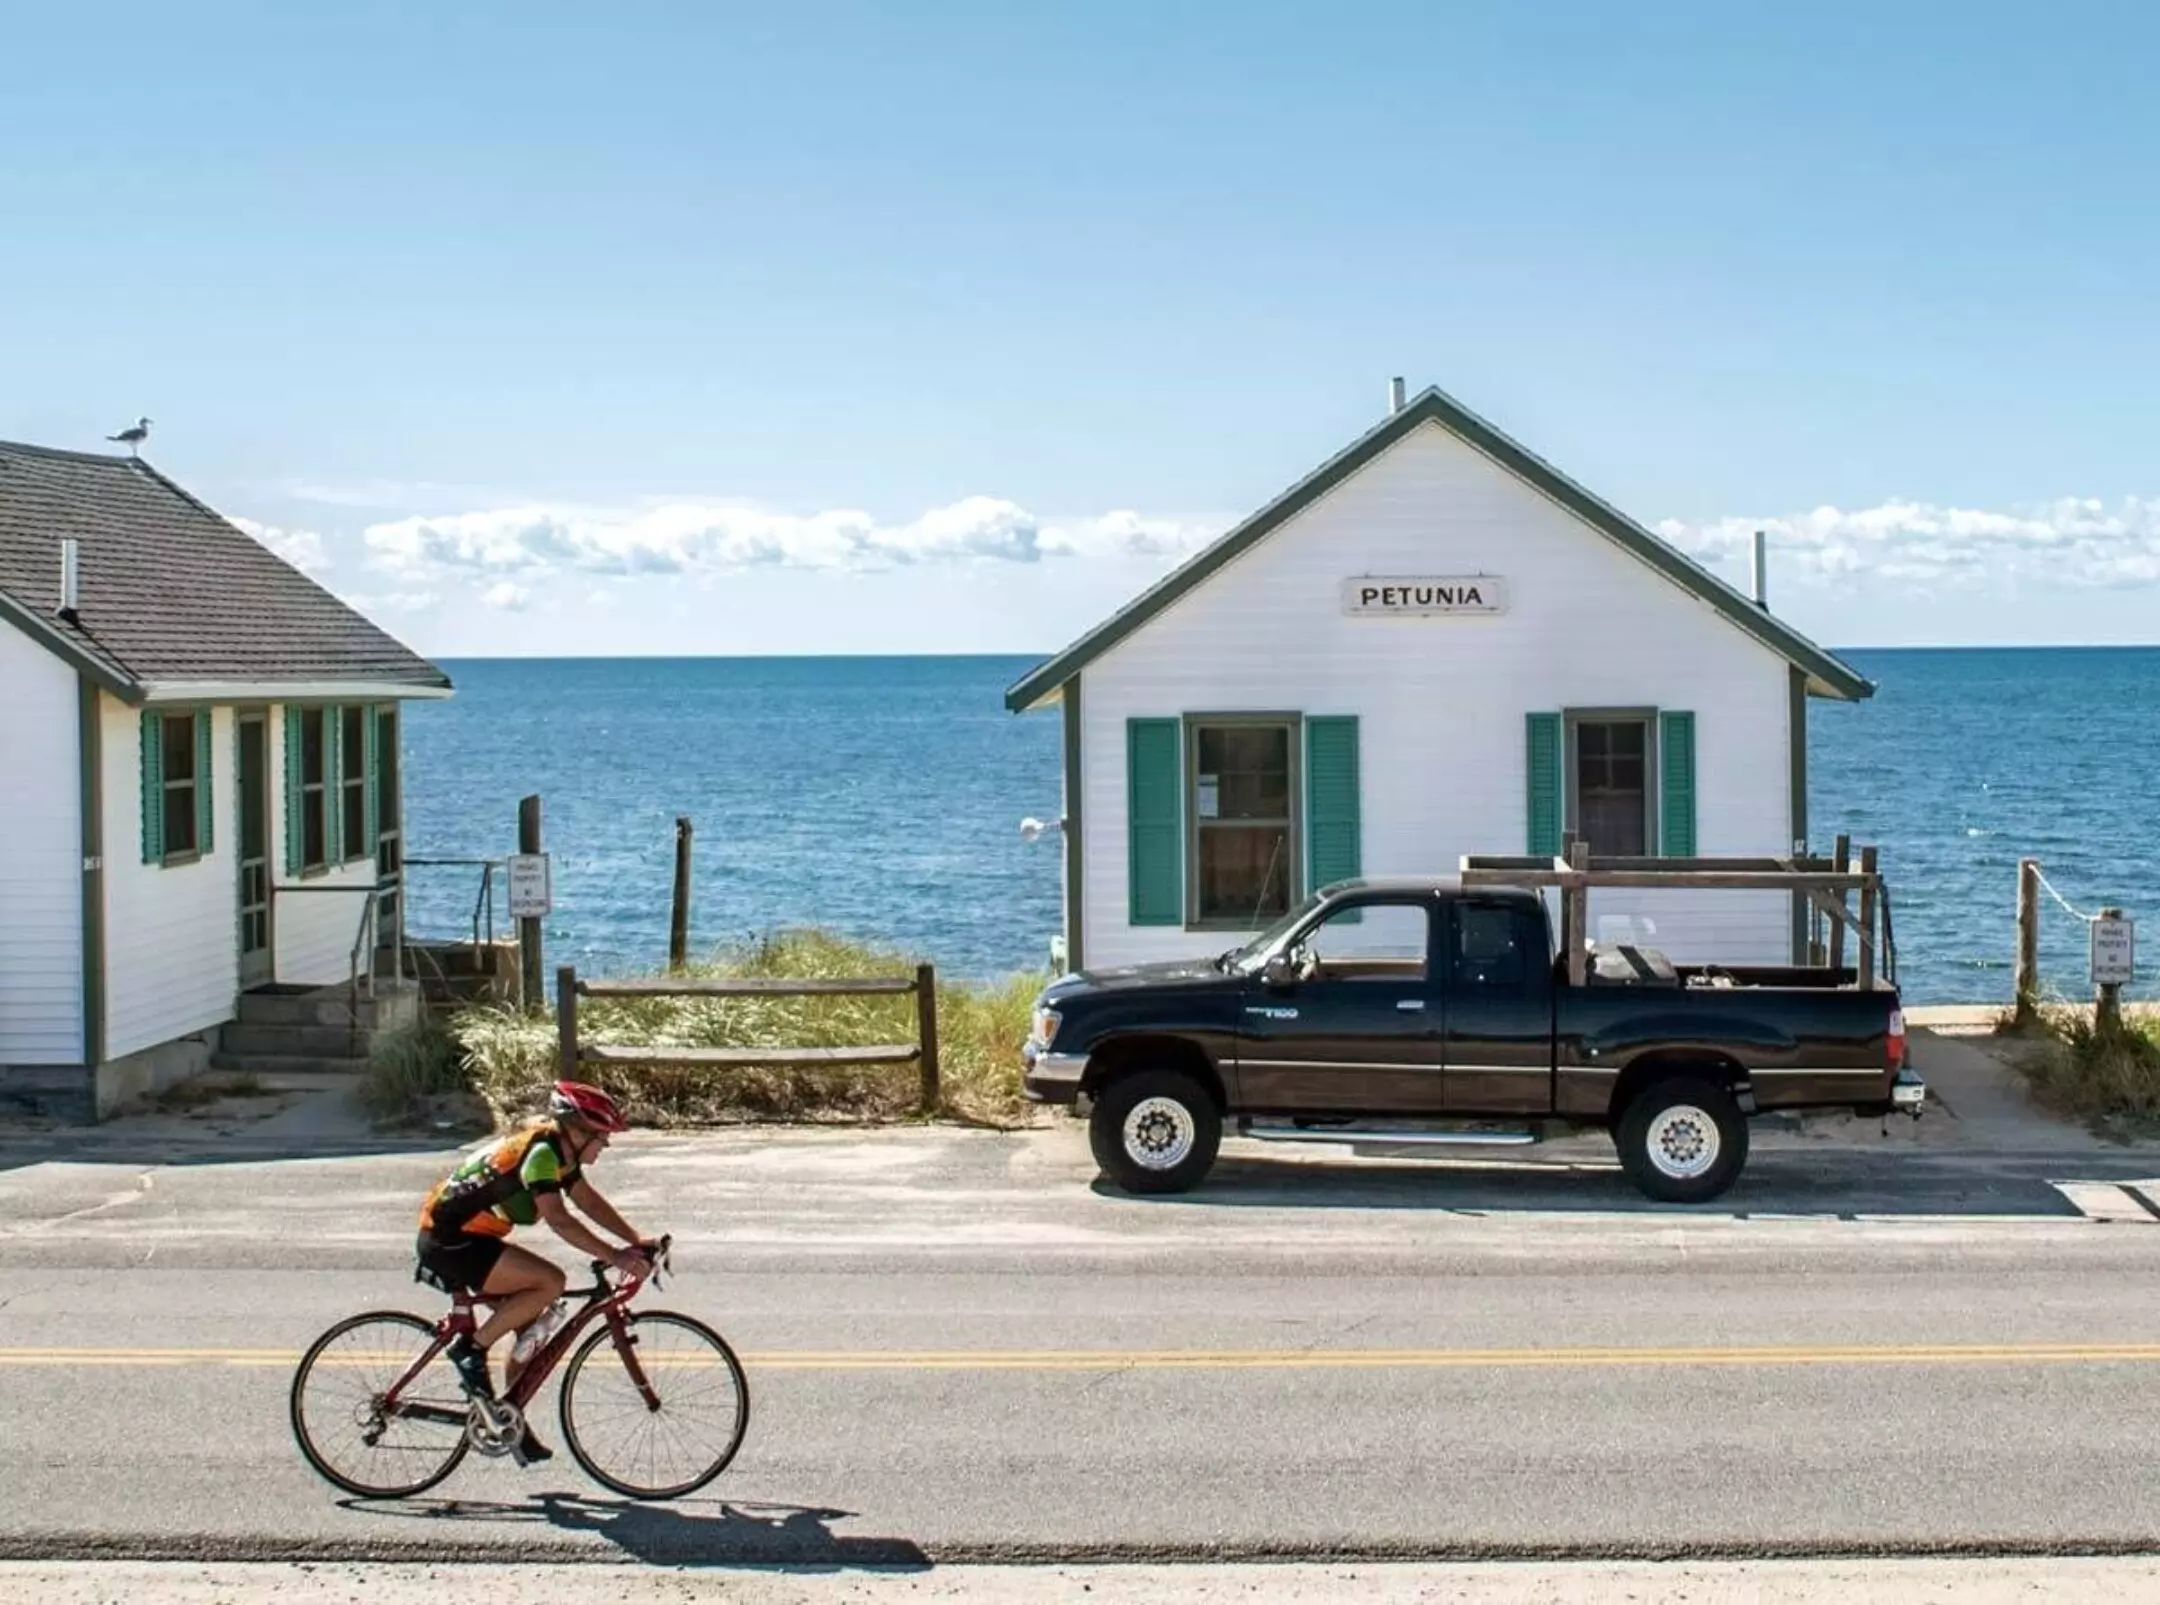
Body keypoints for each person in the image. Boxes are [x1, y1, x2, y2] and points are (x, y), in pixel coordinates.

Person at [414, 1079, 654, 1465]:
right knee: (549, 1281)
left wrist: (636, 1239)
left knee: (532, 1334)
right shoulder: (542, 1154)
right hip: (449, 1240)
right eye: (602, 1136)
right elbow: (560, 1220)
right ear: (578, 1132)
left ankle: (510, 1424)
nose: (605, 1145)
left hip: (473, 1237)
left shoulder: (560, 1152)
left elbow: (587, 1201)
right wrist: (616, 1255)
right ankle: (471, 1349)